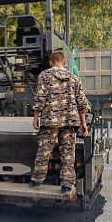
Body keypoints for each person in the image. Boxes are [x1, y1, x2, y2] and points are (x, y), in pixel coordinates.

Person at [29, 51, 88, 194]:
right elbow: (82, 103)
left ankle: (37, 181)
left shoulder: (44, 75)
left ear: (51, 62)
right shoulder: (73, 78)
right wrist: (83, 123)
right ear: (64, 61)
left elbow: (40, 98)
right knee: (68, 153)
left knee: (44, 151)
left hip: (50, 120)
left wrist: (36, 117)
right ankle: (67, 184)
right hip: (69, 121)